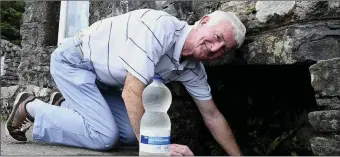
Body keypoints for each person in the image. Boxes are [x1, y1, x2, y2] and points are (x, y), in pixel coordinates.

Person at [6, 9, 246, 156]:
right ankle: (31, 107)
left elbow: (212, 116)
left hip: (102, 82)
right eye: (216, 37)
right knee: (105, 137)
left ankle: (64, 106)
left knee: (132, 135)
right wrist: (156, 150)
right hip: (75, 62)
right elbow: (132, 91)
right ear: (203, 21)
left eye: (223, 49)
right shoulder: (160, 27)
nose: (215, 48)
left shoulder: (193, 68)